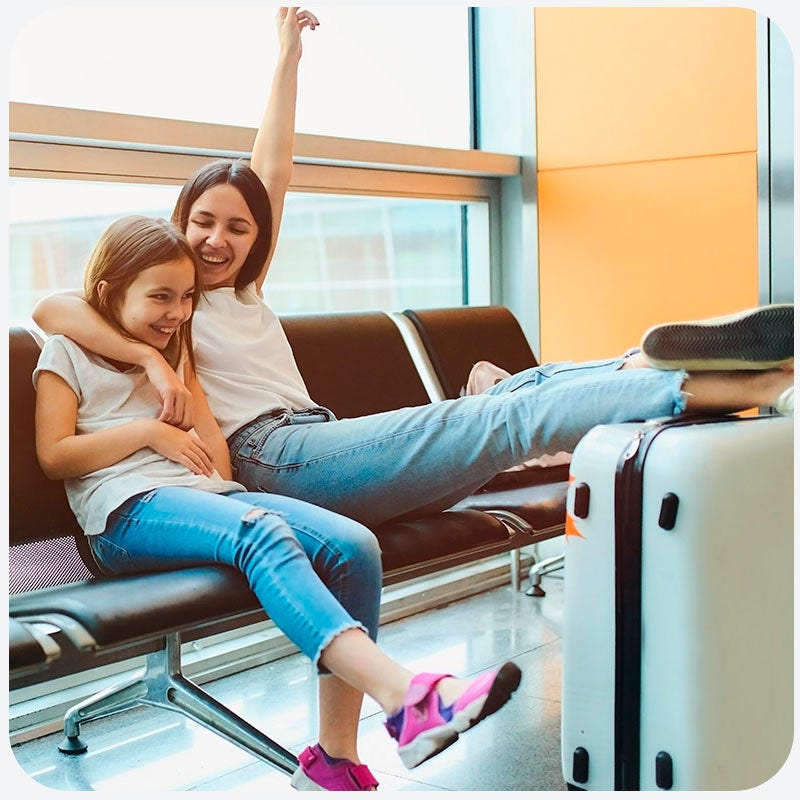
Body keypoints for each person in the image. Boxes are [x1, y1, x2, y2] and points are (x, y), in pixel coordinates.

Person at [32, 5, 794, 780]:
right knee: (506, 419)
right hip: (272, 457)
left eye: (238, 227)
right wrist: (153, 361)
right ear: (175, 226)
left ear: (257, 237)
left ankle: (646, 365)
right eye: (201, 222)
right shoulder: (165, 304)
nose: (218, 240)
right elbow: (55, 309)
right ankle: (686, 385)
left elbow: (273, 172)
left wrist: (287, 58)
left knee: (518, 391)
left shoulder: (233, 292)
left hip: (312, 439)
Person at [33, 214, 523, 792]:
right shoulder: (66, 352)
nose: (177, 312)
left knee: (350, 543)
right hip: (123, 514)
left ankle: (334, 762)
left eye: (186, 297)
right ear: (112, 292)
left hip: (201, 500)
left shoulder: (177, 351)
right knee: (261, 531)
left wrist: (191, 409)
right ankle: (404, 696)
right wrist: (149, 434)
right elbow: (56, 456)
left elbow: (212, 453)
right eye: (160, 297)